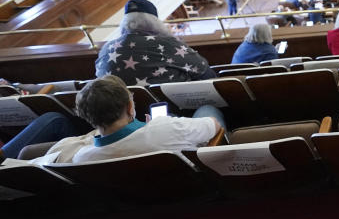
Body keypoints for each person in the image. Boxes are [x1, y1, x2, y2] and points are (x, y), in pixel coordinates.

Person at [10, 75, 223, 165]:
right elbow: (214, 127)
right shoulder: (165, 128)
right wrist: (159, 125)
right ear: (130, 106)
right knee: (207, 109)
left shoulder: (82, 158)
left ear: (86, 116)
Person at [95, 0, 215, 85]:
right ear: (155, 22)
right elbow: (203, 69)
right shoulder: (167, 44)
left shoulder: (106, 48)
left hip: (120, 115)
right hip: (172, 111)